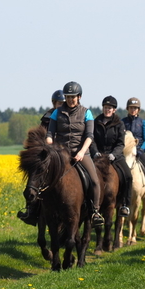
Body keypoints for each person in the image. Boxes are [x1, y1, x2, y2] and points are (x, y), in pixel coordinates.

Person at [18, 81, 103, 226]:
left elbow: (90, 135)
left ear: (79, 97)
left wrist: (82, 152)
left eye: (73, 97)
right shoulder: (57, 113)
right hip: (60, 152)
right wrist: (49, 145)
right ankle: (32, 211)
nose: (70, 100)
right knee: (41, 176)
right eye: (68, 97)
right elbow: (50, 133)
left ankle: (94, 212)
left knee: (94, 180)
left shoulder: (86, 112)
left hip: (81, 152)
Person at [90, 96, 132, 217]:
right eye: (106, 107)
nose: (107, 109)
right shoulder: (96, 122)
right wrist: (95, 152)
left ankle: (125, 204)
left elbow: (120, 143)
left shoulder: (119, 124)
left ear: (114, 110)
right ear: (103, 108)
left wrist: (114, 154)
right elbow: (92, 140)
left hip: (115, 156)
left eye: (110, 108)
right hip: (99, 156)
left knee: (128, 175)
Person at [122, 97, 145, 209]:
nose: (133, 110)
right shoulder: (122, 122)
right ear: (128, 108)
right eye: (131, 108)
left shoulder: (143, 122)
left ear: (138, 110)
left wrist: (140, 149)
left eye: (135, 108)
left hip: (138, 151)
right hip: (125, 152)